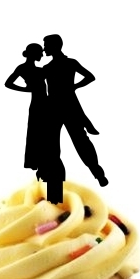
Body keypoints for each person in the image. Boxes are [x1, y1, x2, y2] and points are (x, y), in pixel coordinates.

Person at [41, 34, 107, 186]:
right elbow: (89, 77)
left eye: (46, 45)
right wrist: (73, 87)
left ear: (55, 46)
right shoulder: (50, 67)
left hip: (67, 107)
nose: (44, 49)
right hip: (57, 108)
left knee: (80, 142)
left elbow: (90, 76)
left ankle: (98, 174)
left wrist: (74, 86)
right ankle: (56, 178)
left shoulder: (63, 65)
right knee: (57, 144)